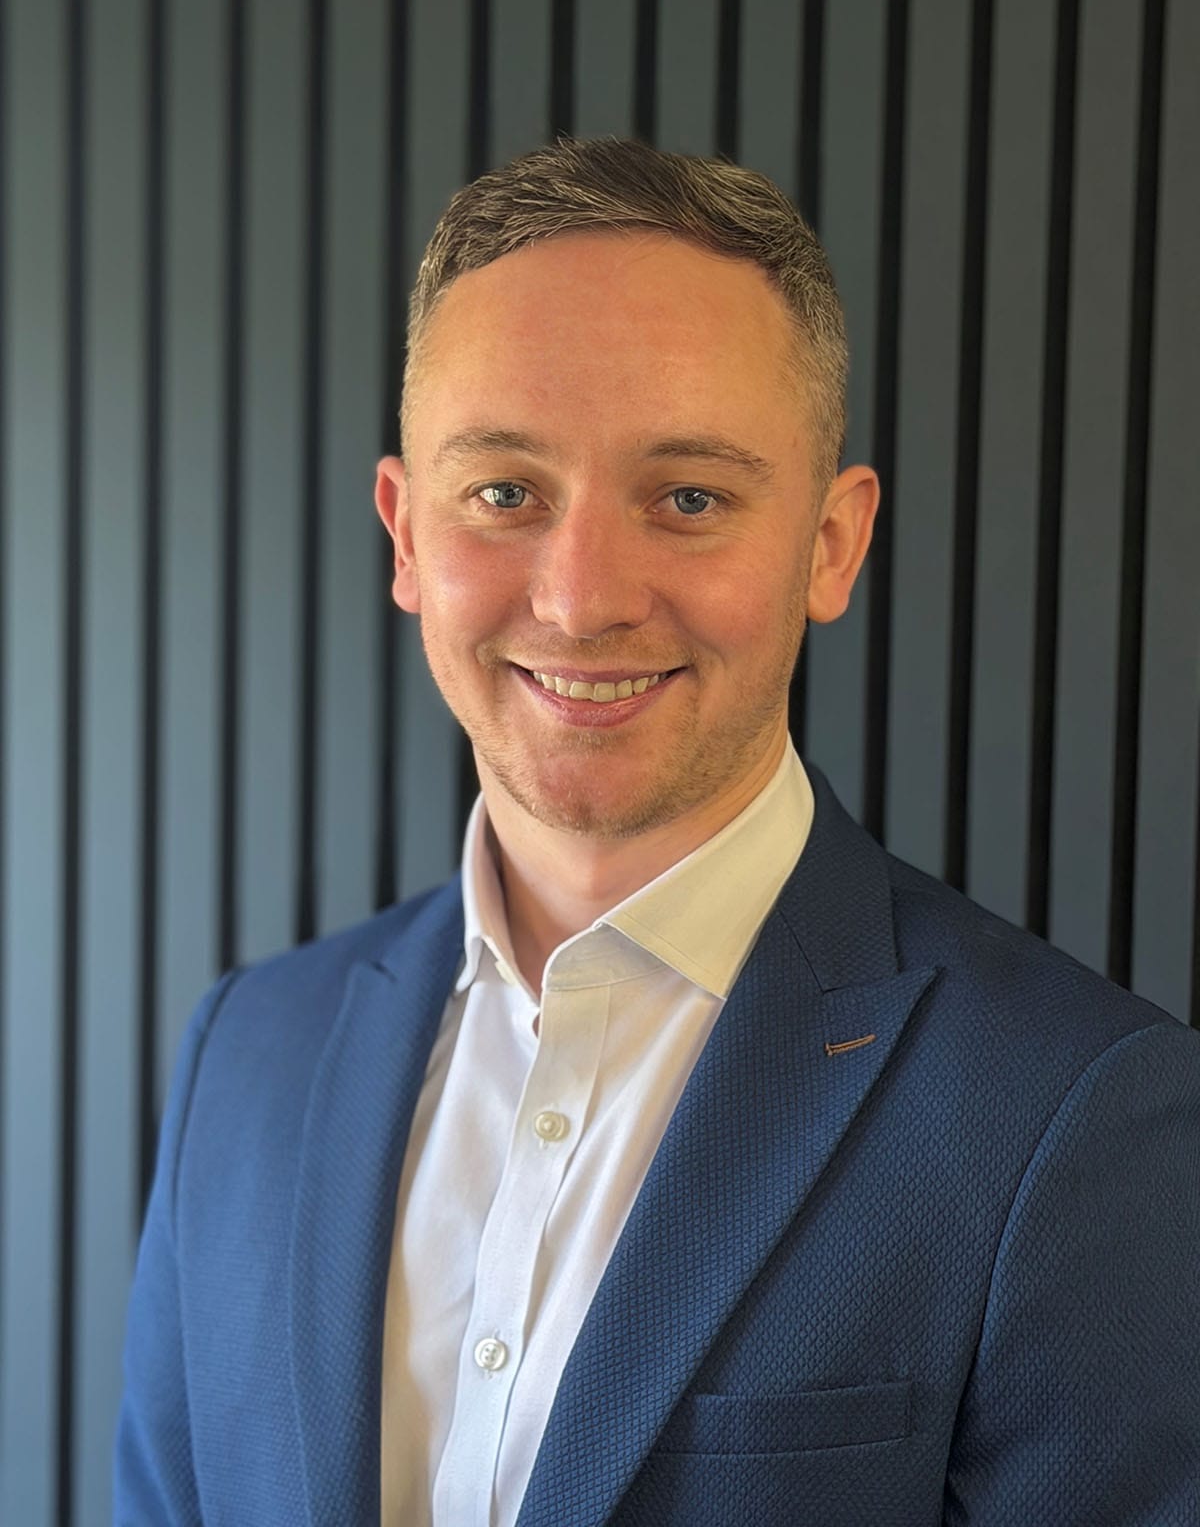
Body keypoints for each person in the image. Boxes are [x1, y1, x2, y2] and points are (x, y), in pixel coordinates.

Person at [114, 138, 1200, 1527]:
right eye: (504, 492)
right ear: (403, 533)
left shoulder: (1076, 1118)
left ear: (830, 544)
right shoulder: (246, 1056)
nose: (580, 600)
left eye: (689, 499)